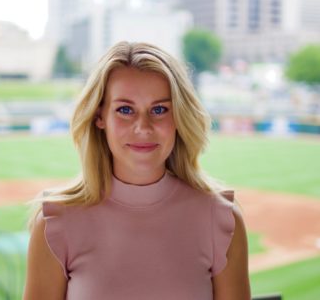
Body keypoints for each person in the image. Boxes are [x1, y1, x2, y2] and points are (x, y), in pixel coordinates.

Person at [23, 41, 250, 300]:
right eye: (125, 110)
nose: (143, 127)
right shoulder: (55, 225)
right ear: (100, 117)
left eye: (159, 109)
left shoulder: (221, 220)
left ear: (178, 116)